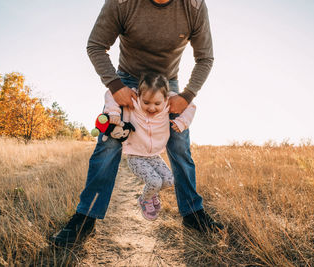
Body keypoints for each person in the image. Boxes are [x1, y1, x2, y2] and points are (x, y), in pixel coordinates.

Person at [52, 0, 223, 247]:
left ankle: (193, 214)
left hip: (167, 84)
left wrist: (186, 96)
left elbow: (205, 58)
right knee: (108, 145)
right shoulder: (122, 3)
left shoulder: (193, 6)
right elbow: (96, 46)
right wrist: (115, 86)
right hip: (126, 82)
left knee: (179, 145)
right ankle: (86, 217)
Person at [105, 72, 196, 221]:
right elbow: (110, 93)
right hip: (136, 156)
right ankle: (144, 199)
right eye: (146, 102)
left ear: (165, 98)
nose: (151, 107)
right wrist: (114, 111)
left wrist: (182, 122)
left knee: (168, 180)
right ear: (140, 95)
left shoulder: (169, 101)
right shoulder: (134, 99)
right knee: (154, 182)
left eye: (157, 103)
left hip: (154, 155)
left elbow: (191, 105)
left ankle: (151, 193)